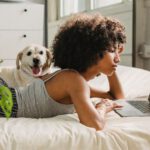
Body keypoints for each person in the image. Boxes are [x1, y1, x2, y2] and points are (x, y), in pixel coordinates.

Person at [0, 13, 126, 131]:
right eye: (112, 51)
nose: (118, 58)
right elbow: (96, 124)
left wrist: (112, 66)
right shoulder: (73, 80)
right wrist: (102, 107)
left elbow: (117, 97)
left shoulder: (75, 82)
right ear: (91, 52)